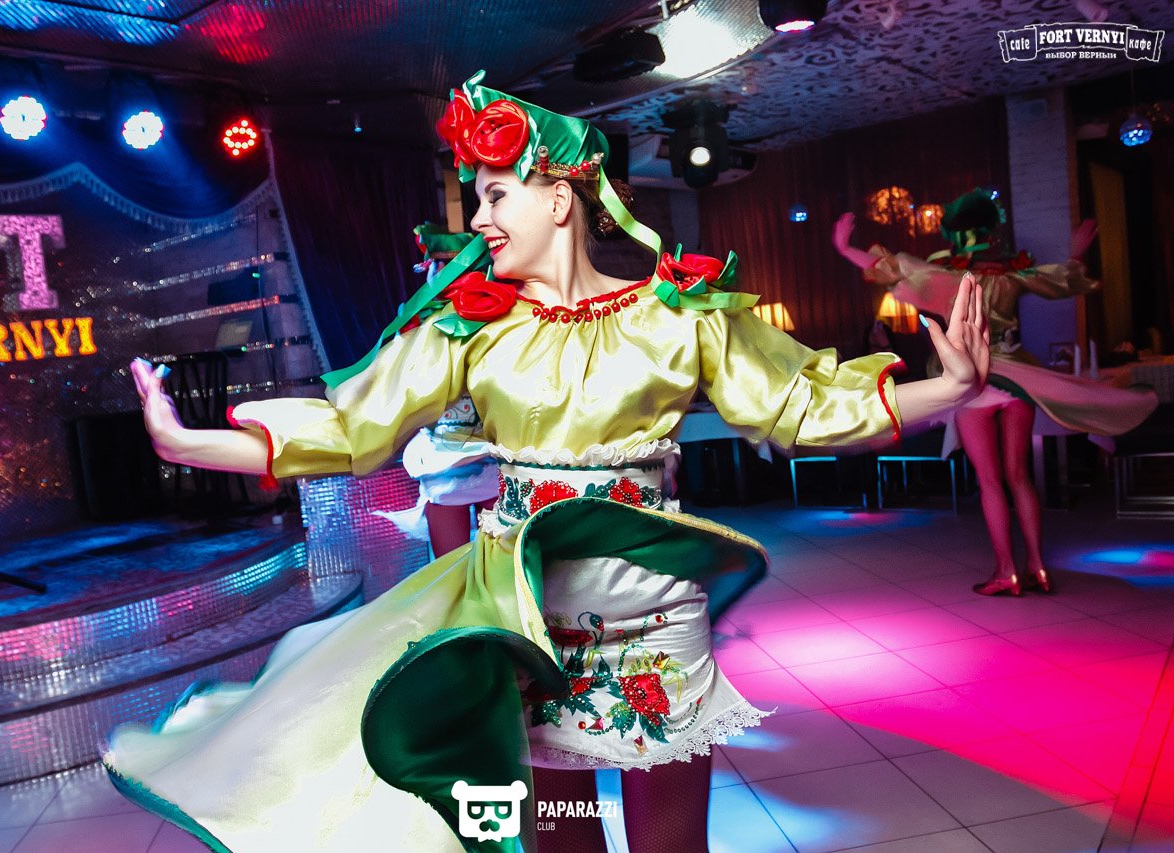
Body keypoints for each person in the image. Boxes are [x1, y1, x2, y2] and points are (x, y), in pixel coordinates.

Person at [105, 71, 990, 853]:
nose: (477, 220)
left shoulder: (679, 312)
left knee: (673, 843)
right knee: (561, 837)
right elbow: (350, 427)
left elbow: (801, 403)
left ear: (561, 198)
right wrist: (189, 443)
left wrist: (944, 390)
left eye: (495, 195)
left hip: (655, 623)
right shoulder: (469, 326)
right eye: (476, 199)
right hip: (526, 628)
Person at [834, 190, 1158, 596]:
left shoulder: (944, 275)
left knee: (990, 482)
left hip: (973, 383)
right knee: (1019, 476)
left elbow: (889, 267)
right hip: (1015, 379)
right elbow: (1064, 278)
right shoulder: (1010, 274)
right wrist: (1076, 251)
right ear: (990, 231)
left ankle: (1007, 571)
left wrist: (844, 247)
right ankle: (1037, 566)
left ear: (955, 234)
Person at [376, 224, 499, 557]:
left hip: (491, 456)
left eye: (454, 266)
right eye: (438, 266)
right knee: (448, 566)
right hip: (441, 459)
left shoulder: (497, 318)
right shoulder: (416, 324)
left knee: (498, 562)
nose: (445, 275)